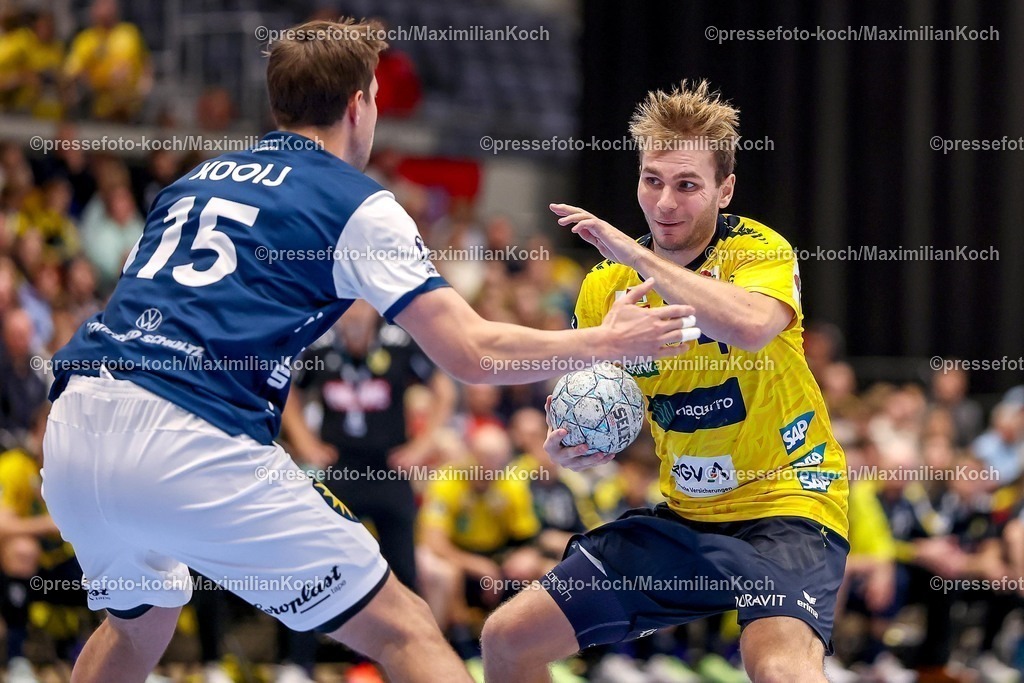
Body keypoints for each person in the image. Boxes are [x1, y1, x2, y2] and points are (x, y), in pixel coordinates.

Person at [41, 18, 695, 683]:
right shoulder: (353, 200)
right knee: (405, 626)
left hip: (77, 424)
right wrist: (608, 341)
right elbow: (468, 350)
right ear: (360, 105)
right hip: (188, 433)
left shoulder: (195, 182)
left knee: (136, 622)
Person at [481, 80, 850, 683]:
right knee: (507, 640)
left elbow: (753, 326)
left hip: (787, 503)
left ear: (724, 190)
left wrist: (637, 255)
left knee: (781, 671)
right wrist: (567, 443)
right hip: (688, 515)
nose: (665, 203)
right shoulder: (604, 289)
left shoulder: (759, 253)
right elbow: (591, 399)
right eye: (652, 180)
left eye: (687, 185)